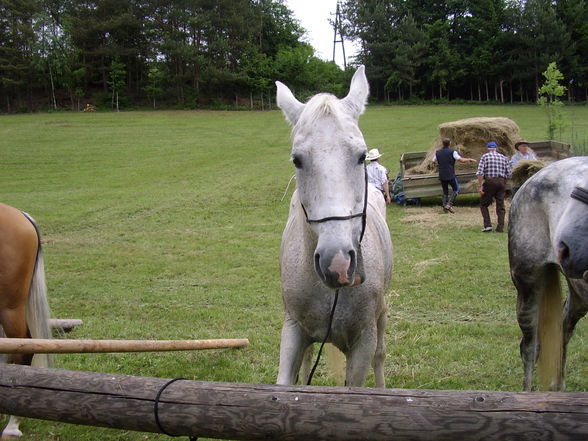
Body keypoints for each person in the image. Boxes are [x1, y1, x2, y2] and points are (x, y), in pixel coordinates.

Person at [432, 138, 477, 213]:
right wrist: (469, 159)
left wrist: (438, 165)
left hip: (442, 175)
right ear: (449, 143)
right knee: (456, 189)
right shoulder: (452, 152)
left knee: (445, 191)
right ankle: (449, 204)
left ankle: (445, 209)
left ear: (443, 144)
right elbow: (461, 160)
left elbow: (433, 161)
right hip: (450, 175)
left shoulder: (438, 152)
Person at [476, 141, 512, 233]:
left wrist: (480, 186)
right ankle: (500, 228)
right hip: (501, 181)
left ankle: (488, 225)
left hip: (490, 181)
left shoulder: (485, 156)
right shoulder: (504, 158)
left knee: (483, 204)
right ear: (496, 148)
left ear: (487, 148)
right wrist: (503, 183)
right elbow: (509, 174)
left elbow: (480, 173)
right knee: (500, 205)